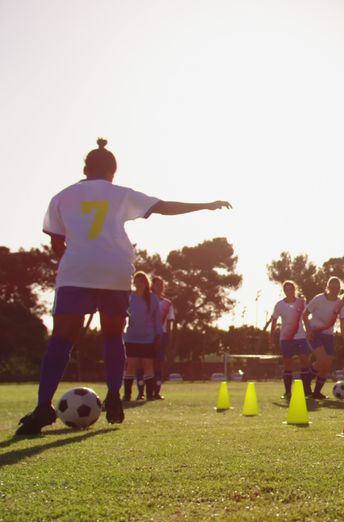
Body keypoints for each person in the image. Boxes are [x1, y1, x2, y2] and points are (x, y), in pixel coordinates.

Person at [15, 138, 231, 435]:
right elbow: (162, 206)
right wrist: (205, 205)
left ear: (84, 168)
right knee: (113, 335)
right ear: (113, 172)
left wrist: (80, 264)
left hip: (76, 269)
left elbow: (56, 243)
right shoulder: (120, 195)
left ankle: (43, 407)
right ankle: (114, 396)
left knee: (62, 340)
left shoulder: (62, 196)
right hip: (115, 271)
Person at [303, 276, 344, 399]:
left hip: (329, 336)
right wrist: (308, 330)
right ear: (328, 287)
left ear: (340, 289)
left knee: (327, 366)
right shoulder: (319, 299)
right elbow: (305, 315)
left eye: (337, 288)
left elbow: (343, 327)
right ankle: (306, 380)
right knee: (323, 359)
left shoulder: (340, 305)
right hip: (315, 333)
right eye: (332, 287)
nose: (335, 290)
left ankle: (316, 393)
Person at [263, 281, 313, 400]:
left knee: (305, 361)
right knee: (288, 365)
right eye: (286, 289)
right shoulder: (279, 305)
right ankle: (287, 392)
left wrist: (309, 332)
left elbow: (305, 319)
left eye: (290, 289)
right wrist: (271, 338)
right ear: (284, 291)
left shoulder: (301, 303)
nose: (288, 291)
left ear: (294, 290)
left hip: (300, 337)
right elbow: (274, 321)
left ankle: (306, 390)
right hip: (286, 339)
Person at [123, 272, 162, 401]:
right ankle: (127, 395)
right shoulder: (130, 297)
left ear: (146, 283)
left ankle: (149, 395)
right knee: (131, 365)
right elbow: (123, 315)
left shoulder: (153, 299)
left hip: (148, 338)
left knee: (147, 365)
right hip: (132, 337)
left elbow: (157, 319)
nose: (139, 283)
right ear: (134, 283)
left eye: (142, 281)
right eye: (137, 281)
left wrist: (158, 335)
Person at [149, 276, 175, 399]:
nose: (160, 287)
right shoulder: (146, 300)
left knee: (158, 364)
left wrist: (169, 338)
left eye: (161, 284)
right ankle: (142, 391)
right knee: (145, 363)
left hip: (162, 335)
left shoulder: (167, 303)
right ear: (152, 286)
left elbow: (170, 322)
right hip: (147, 334)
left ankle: (156, 391)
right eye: (157, 284)